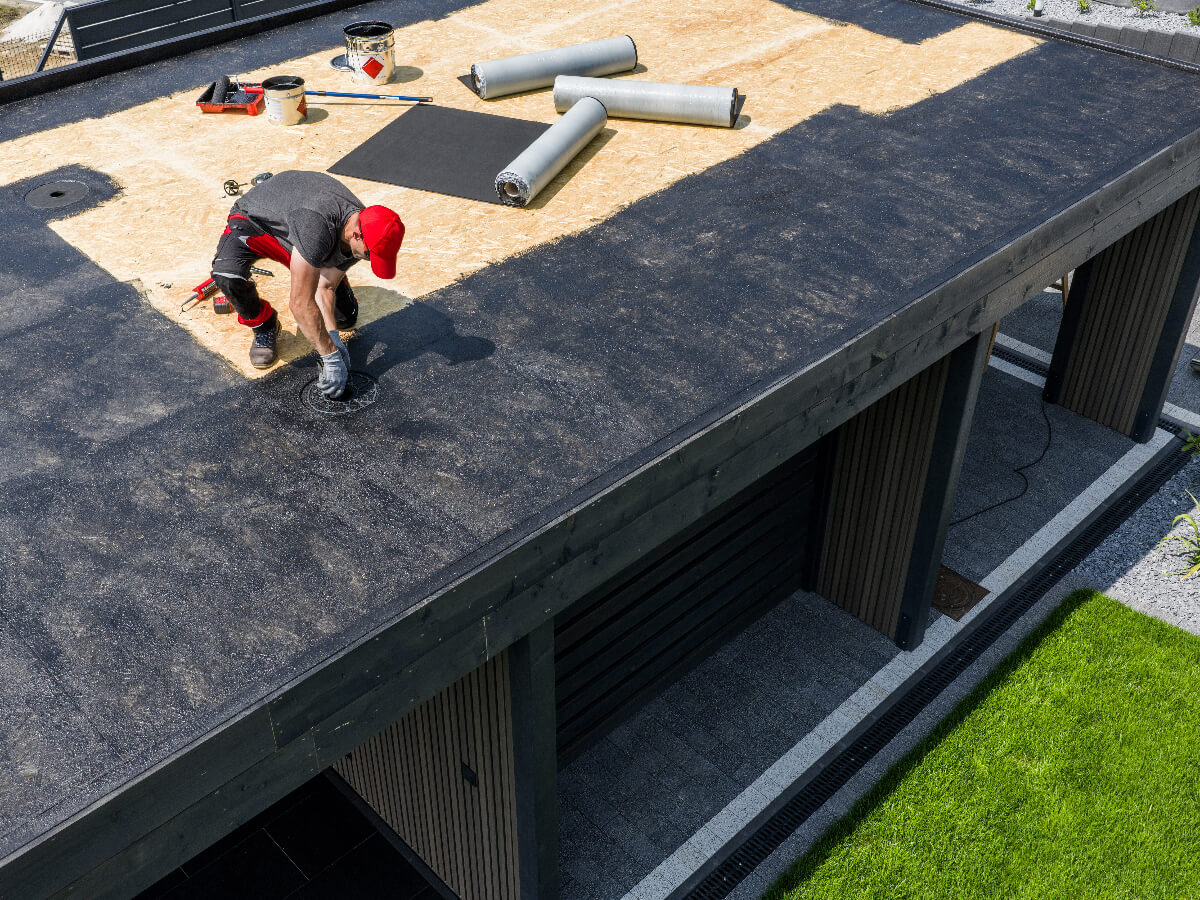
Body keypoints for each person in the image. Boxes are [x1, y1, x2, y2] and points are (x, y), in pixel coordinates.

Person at [209, 170, 405, 398]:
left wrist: (332, 337)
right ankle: (264, 324)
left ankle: (318, 266)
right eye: (370, 255)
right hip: (255, 223)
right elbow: (300, 304)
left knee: (346, 318)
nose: (368, 259)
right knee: (226, 274)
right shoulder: (318, 226)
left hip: (301, 232)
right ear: (356, 235)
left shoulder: (364, 225)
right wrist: (330, 357)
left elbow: (326, 286)